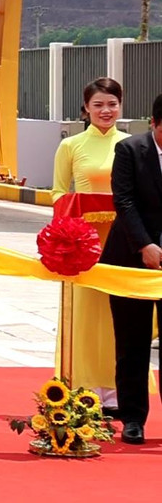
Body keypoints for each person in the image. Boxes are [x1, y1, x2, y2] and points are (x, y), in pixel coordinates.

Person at [52, 78, 129, 409]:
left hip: (122, 240)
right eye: (98, 105)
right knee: (83, 315)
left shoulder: (130, 145)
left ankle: (116, 389)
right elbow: (57, 193)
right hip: (83, 244)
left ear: (120, 106)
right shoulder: (71, 146)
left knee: (120, 315)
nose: (105, 111)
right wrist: (75, 217)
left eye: (111, 104)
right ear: (85, 108)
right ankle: (80, 386)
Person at [103, 91, 162, 445]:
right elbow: (123, 201)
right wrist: (145, 245)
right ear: (154, 123)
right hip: (130, 258)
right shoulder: (130, 151)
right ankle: (133, 418)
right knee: (132, 343)